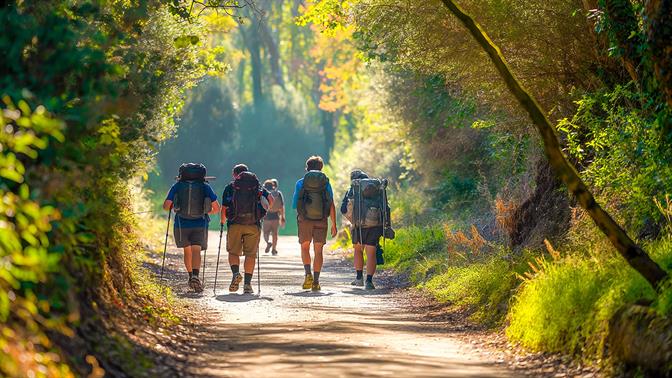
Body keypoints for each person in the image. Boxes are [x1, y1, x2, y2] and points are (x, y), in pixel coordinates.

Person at [163, 163, 220, 293]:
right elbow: (217, 208)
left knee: (187, 251)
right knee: (196, 250)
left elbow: (166, 206)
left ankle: (190, 277)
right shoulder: (205, 187)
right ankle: (195, 275)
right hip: (200, 223)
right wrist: (205, 212)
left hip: (181, 224)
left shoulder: (177, 186)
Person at [220, 164, 272, 294]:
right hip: (253, 224)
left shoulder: (230, 187)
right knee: (250, 254)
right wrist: (262, 211)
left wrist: (222, 222)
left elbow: (224, 208)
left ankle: (236, 273)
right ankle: (247, 285)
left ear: (235, 175)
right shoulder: (257, 186)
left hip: (235, 224)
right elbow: (270, 199)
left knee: (233, 252)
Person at [293, 156, 337, 292]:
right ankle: (316, 282)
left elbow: (295, 204)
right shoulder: (326, 183)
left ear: (307, 168)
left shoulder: (301, 183)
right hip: (322, 220)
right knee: (318, 251)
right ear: (321, 168)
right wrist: (334, 224)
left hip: (305, 220)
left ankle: (308, 275)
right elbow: (331, 204)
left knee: (305, 247)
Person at [340, 169, 390, 290]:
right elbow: (386, 207)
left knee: (358, 250)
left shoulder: (352, 189)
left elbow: (343, 209)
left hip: (359, 225)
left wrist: (352, 218)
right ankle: (369, 281)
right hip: (375, 225)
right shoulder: (376, 189)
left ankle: (359, 279)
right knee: (371, 252)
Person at [262, 179, 285, 255]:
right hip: (275, 216)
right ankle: (274, 249)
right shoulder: (278, 193)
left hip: (266, 216)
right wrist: (282, 217)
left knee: (265, 233)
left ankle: (268, 242)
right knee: (275, 234)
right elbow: (281, 206)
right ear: (273, 186)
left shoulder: (264, 194)